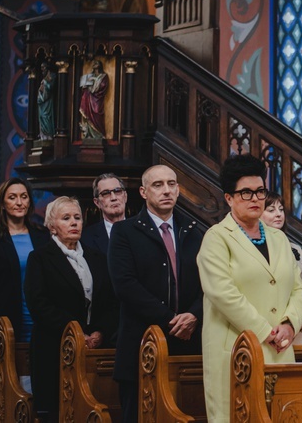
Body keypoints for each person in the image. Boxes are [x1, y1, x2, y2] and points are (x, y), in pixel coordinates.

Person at [197, 154, 302, 422]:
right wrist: (264, 330)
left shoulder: (279, 238)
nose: (255, 198)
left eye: (260, 191)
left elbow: (298, 288)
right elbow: (222, 293)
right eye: (246, 193)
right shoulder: (217, 238)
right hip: (237, 350)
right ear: (228, 198)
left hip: (280, 350)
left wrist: (290, 323)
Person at [108, 165, 204, 423]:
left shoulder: (195, 230)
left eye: (172, 184)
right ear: (143, 192)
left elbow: (212, 284)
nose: (166, 190)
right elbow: (125, 285)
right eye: (158, 185)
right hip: (141, 342)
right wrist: (171, 319)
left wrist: (194, 315)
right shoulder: (125, 231)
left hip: (188, 343)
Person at [24, 197, 118, 421]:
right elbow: (38, 304)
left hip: (94, 348)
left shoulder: (97, 258)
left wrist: (99, 332)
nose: (74, 223)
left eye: (77, 218)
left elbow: (109, 302)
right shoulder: (39, 258)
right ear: (52, 226)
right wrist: (76, 332)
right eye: (66, 218)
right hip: (53, 347)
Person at [0, 178, 49, 420]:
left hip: (37, 323)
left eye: (23, 196)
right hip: (1, 326)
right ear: (3, 203)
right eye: (12, 197)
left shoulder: (42, 235)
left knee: (34, 393)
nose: (19, 202)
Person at [260, 191, 302, 344]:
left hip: (295, 330)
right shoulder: (252, 249)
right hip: (266, 332)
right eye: (271, 210)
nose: (278, 214)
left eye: (281, 209)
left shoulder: (295, 249)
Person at [81, 173, 128, 255]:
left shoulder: (142, 232)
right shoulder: (85, 238)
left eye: (117, 191)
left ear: (125, 196)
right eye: (106, 193)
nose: (114, 198)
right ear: (97, 202)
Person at [79, 60, 109, 139]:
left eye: (97, 63)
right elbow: (84, 87)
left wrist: (93, 87)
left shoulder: (104, 76)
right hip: (88, 98)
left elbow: (103, 85)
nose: (95, 64)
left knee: (97, 113)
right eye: (94, 63)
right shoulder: (89, 76)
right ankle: (89, 134)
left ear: (100, 65)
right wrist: (85, 87)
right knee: (88, 116)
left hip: (97, 99)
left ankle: (99, 134)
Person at [37, 62, 55, 140]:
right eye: (41, 67)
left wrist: (45, 83)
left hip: (47, 102)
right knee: (42, 116)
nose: (42, 69)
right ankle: (43, 134)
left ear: (47, 68)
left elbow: (51, 87)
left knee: (46, 116)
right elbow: (41, 89)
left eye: (43, 67)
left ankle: (48, 134)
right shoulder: (44, 79)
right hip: (42, 102)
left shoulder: (52, 76)